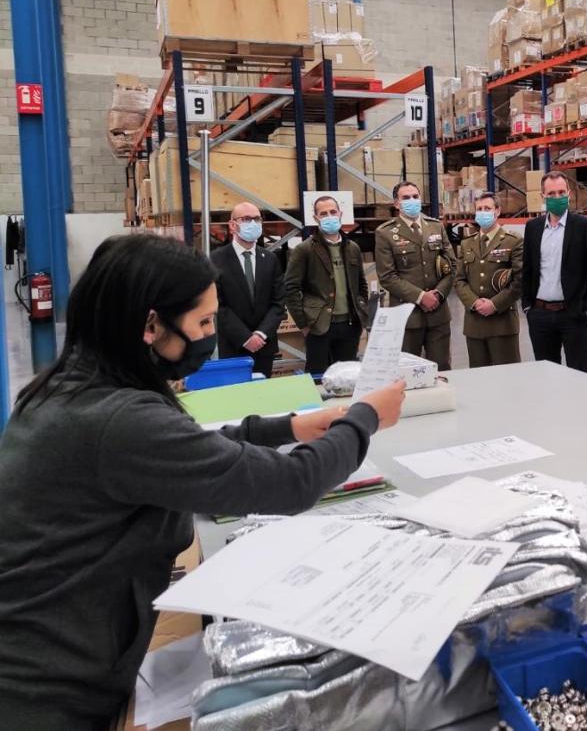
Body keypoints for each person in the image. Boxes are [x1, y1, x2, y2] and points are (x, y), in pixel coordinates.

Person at [0, 234, 405, 730]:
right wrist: (364, 418)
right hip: (46, 695)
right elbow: (293, 483)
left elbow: (186, 448)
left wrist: (291, 427)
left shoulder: (80, 387)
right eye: (204, 322)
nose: (210, 337)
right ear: (151, 324)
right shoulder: (117, 420)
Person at [521, 170, 587, 372]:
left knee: (578, 374)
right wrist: (528, 306)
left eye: (561, 192)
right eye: (551, 194)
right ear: (543, 196)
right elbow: (527, 269)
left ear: (569, 193)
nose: (557, 197)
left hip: (573, 315)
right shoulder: (533, 228)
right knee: (546, 375)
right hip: (540, 314)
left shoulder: (583, 226)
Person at [285, 195, 370, 376]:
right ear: (315, 218)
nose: (329, 216)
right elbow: (291, 288)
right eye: (323, 214)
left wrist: (361, 314)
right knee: (318, 378)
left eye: (333, 212)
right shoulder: (304, 250)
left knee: (346, 377)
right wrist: (303, 324)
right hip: (319, 326)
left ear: (340, 214)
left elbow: (361, 285)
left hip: (350, 326)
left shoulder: (353, 248)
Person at [374, 181, 455, 370]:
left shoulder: (436, 227)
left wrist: (438, 294)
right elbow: (387, 276)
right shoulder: (385, 233)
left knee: (442, 368)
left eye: (415, 196)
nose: (412, 200)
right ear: (397, 204)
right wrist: (420, 297)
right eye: (406, 197)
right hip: (407, 317)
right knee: (408, 372)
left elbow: (452, 266)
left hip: (438, 314)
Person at [210, 202, 286, 377]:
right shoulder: (216, 259)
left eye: (257, 219)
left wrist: (261, 334)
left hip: (264, 345)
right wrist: (245, 337)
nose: (253, 223)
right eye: (246, 219)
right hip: (233, 345)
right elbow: (217, 304)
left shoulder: (270, 259)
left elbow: (278, 302)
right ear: (232, 225)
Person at [455, 193, 525, 367]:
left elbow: (520, 280)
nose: (483, 212)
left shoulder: (513, 241)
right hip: (474, 324)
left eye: (487, 208)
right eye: (479, 209)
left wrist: (494, 304)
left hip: (502, 323)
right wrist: (474, 302)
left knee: (507, 377)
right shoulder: (467, 244)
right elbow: (459, 280)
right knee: (479, 378)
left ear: (497, 211)